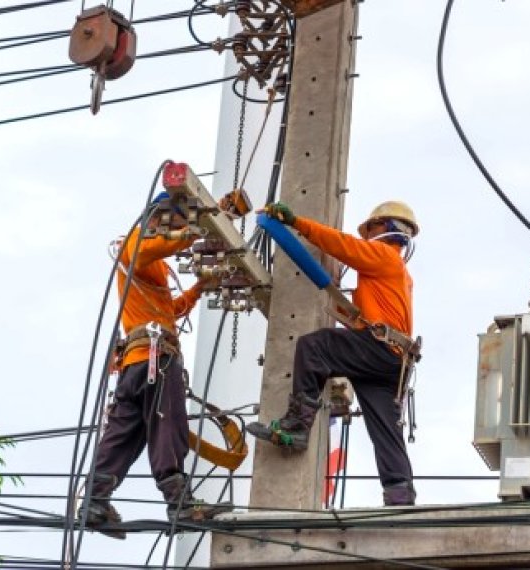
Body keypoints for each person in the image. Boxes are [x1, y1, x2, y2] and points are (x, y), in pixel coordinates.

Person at [246, 200, 420, 506]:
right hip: (394, 361)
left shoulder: (382, 255)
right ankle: (399, 493)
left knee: (315, 347)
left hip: (380, 349)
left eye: (373, 228)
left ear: (389, 229)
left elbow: (340, 244)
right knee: (384, 427)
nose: (368, 235)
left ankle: (297, 425)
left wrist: (295, 221)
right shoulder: (400, 273)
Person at [78, 192, 224, 535]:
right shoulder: (135, 243)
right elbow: (153, 247)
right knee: (167, 425)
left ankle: (95, 500)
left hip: (137, 364)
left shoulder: (150, 263)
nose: (174, 231)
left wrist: (200, 287)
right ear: (157, 218)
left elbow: (168, 311)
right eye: (173, 222)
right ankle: (181, 504)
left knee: (124, 433)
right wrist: (196, 230)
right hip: (156, 359)